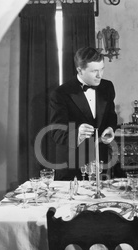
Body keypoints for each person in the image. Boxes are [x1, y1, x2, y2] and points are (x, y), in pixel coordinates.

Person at [50, 47, 118, 180]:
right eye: (94, 71)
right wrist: (77, 133)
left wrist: (110, 129)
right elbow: (56, 133)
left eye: (102, 69)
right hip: (72, 164)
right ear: (79, 70)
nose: (100, 75)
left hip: (100, 161)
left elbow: (111, 115)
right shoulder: (60, 94)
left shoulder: (107, 87)